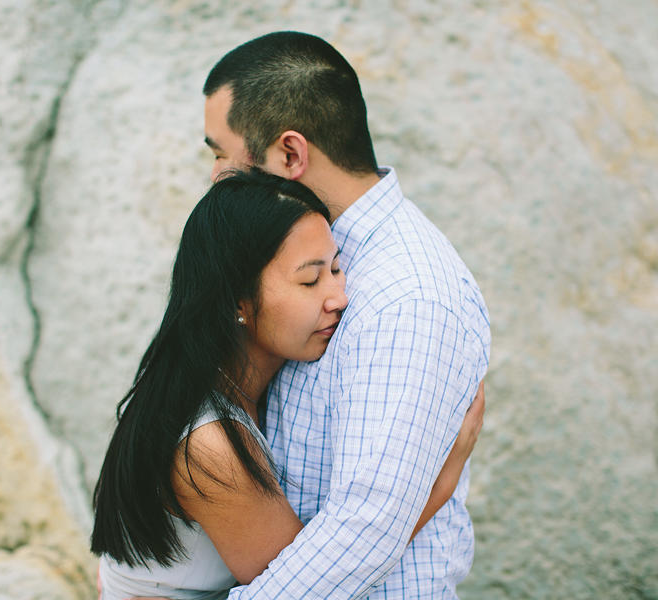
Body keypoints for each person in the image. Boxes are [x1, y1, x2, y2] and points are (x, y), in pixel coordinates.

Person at [91, 169, 483, 600]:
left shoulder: (203, 377)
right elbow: (311, 586)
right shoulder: (209, 446)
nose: (339, 297)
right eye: (310, 280)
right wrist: (441, 481)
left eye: (336, 268)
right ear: (238, 302)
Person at [202, 32, 491, 599]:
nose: (215, 178)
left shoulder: (408, 293)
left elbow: (366, 526)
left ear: (290, 154)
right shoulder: (304, 259)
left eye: (220, 154)